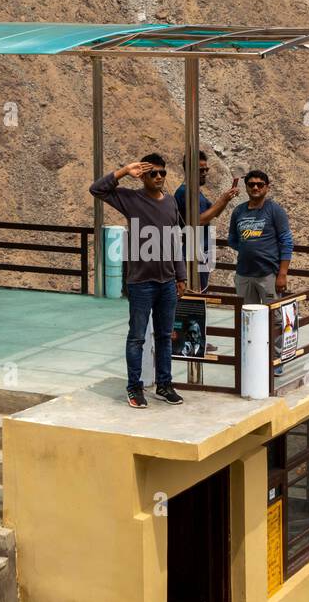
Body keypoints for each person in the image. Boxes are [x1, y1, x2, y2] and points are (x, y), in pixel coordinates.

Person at [90, 153, 186, 408]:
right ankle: (134, 387)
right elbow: (96, 189)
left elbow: (175, 240)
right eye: (152, 173)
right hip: (141, 282)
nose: (158, 177)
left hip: (167, 282)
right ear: (142, 175)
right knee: (137, 337)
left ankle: (164, 385)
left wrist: (181, 275)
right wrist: (123, 171)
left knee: (165, 336)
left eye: (162, 173)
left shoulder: (171, 203)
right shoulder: (131, 199)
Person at [228, 170, 294, 374]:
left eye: (260, 184)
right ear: (246, 187)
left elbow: (286, 241)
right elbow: (233, 239)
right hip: (244, 274)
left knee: (274, 318)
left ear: (267, 187)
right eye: (251, 184)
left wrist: (282, 274)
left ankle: (275, 359)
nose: (255, 187)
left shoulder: (274, 210)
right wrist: (250, 250)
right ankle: (250, 355)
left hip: (268, 275)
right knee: (246, 316)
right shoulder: (239, 212)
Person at [174, 150, 238, 295]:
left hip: (202, 249)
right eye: (201, 170)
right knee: (195, 293)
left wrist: (226, 199)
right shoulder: (184, 192)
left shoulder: (197, 192)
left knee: (201, 290)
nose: (205, 173)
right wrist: (223, 199)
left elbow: (214, 213)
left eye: (206, 169)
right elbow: (199, 221)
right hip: (193, 250)